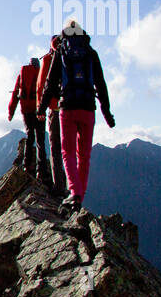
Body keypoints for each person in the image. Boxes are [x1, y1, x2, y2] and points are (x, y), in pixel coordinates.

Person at [39, 19, 115, 213]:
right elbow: (101, 84)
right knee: (84, 155)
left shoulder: (60, 51)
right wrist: (107, 114)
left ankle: (74, 193)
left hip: (67, 108)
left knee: (68, 152)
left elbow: (49, 83)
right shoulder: (91, 53)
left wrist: (41, 107)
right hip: (88, 108)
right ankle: (79, 195)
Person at [7, 55, 50, 183]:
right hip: (39, 110)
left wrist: (11, 112)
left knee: (30, 136)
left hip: (26, 110)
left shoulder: (23, 74)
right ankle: (41, 170)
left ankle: (27, 166)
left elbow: (15, 93)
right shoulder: (42, 72)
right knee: (41, 140)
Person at [35, 32, 68, 198]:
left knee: (55, 148)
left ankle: (59, 187)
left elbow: (41, 86)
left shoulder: (48, 59)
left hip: (55, 109)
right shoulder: (70, 56)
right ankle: (72, 188)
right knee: (68, 149)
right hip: (70, 108)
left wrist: (40, 108)